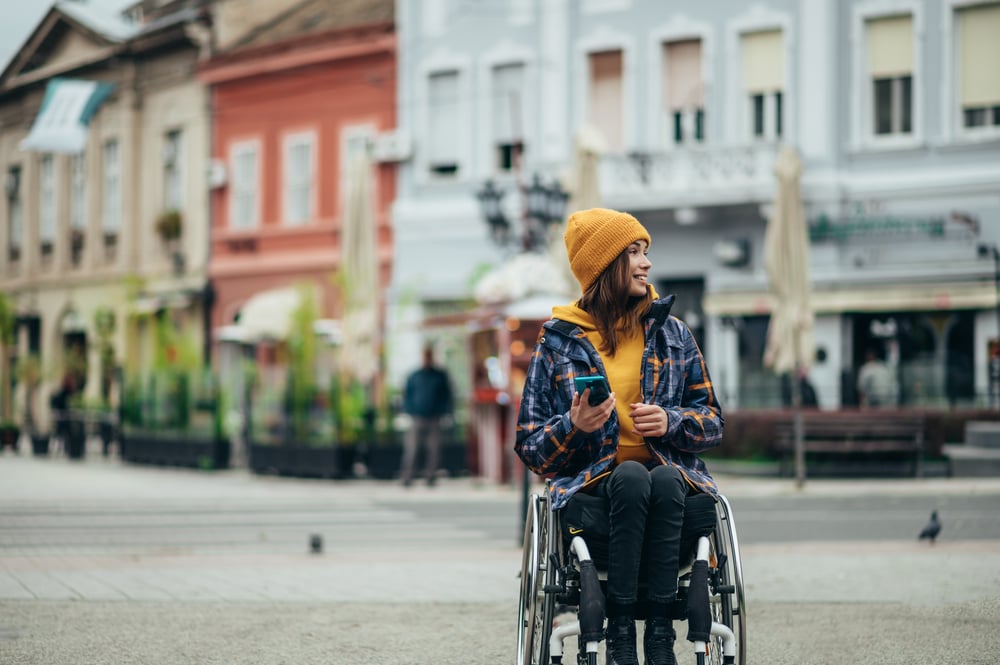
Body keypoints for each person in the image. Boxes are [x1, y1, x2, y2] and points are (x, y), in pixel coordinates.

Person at [515, 208, 724, 665]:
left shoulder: (674, 335)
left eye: (646, 251)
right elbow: (531, 447)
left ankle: (658, 635)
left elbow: (712, 422)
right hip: (593, 495)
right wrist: (574, 427)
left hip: (672, 492)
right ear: (604, 266)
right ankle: (623, 633)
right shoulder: (558, 343)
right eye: (633, 252)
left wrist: (672, 422)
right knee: (630, 474)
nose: (646, 262)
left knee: (663, 479)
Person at [400, 344, 454, 487]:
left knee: (434, 450)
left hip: (434, 417)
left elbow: (447, 395)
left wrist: (445, 411)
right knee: (412, 449)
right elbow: (407, 395)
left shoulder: (439, 376)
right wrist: (409, 410)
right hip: (417, 416)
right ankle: (408, 476)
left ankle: (430, 477)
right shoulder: (414, 376)